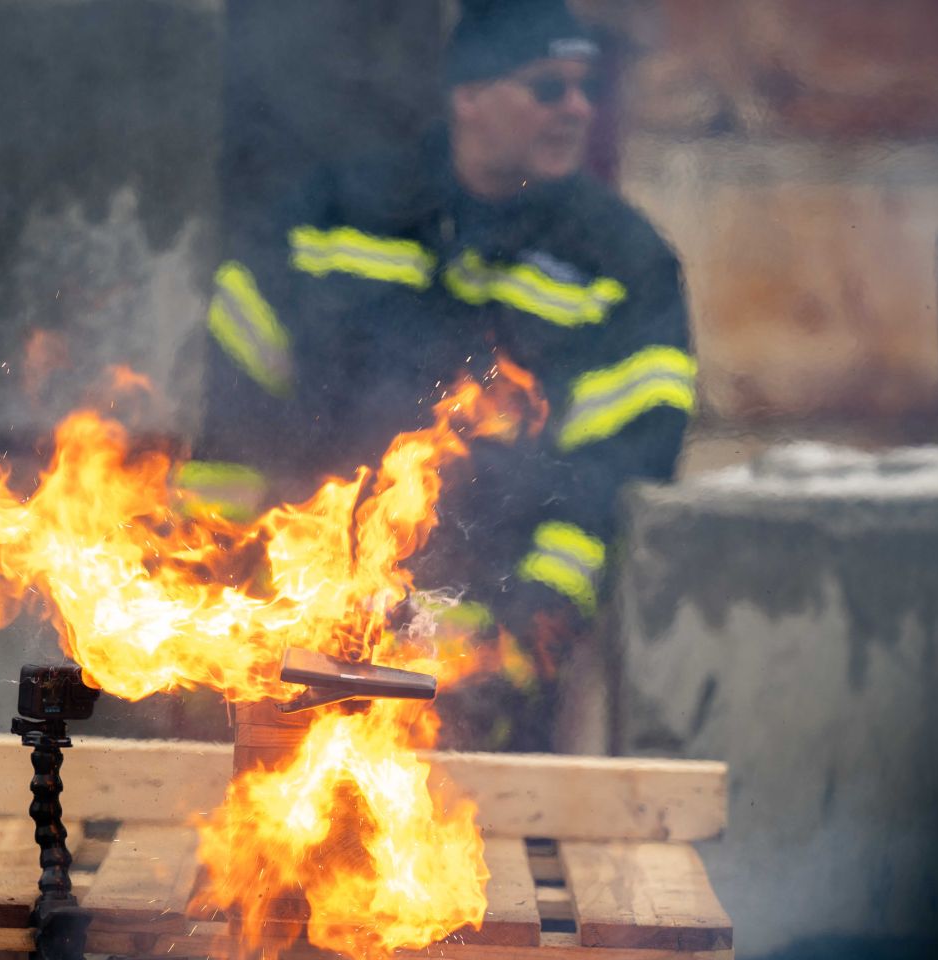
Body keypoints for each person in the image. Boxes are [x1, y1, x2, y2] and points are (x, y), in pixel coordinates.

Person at [187, 0, 697, 750]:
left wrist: (521, 643)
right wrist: (220, 608)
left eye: (587, 87)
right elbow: (232, 426)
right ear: (470, 95)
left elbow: (608, 484)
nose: (578, 109)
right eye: (548, 87)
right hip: (292, 657)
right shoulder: (333, 218)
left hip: (479, 691)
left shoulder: (620, 264)